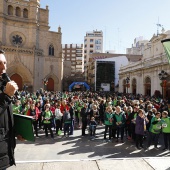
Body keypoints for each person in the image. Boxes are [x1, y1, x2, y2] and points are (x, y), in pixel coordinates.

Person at [0, 50, 18, 169]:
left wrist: (16, 131)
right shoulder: (5, 92)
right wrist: (6, 96)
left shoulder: (3, 86)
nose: (3, 67)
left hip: (5, 153)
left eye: (5, 63)